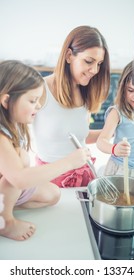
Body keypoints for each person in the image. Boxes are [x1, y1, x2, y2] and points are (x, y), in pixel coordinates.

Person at [0, 60, 91, 241]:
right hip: (11, 184)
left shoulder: (14, 126)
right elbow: (19, 179)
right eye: (33, 101)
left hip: (7, 188)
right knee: (19, 171)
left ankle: (4, 206)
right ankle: (5, 221)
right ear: (6, 100)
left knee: (53, 195)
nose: (38, 106)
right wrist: (69, 162)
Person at [32, 25, 110, 187]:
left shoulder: (86, 92)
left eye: (99, 64)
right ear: (69, 56)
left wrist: (111, 130)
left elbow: (79, 137)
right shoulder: (40, 89)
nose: (95, 70)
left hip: (83, 178)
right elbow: (11, 133)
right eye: (89, 61)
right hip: (49, 182)